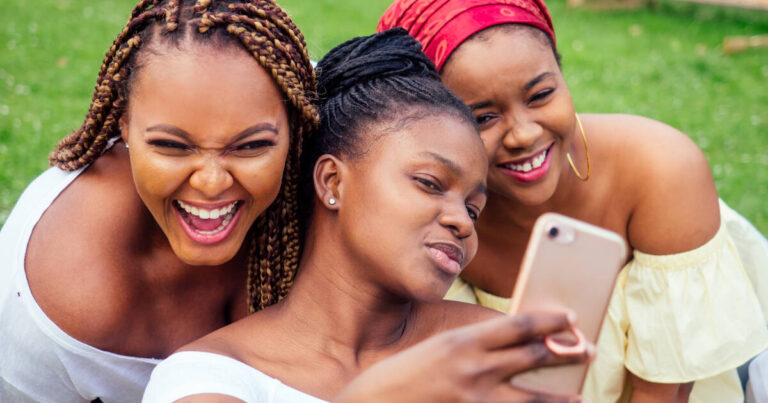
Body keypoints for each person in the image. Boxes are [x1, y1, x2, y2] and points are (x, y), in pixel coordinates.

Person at [0, 1, 590, 401]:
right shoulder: (68, 287)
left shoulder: (301, 107)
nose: (210, 182)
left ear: (294, 131)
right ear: (123, 130)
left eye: (253, 145)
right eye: (173, 146)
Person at [379, 1, 768, 402]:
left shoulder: (660, 170)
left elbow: (665, 392)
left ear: (563, 75)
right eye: (483, 118)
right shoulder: (433, 216)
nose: (524, 135)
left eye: (541, 94)